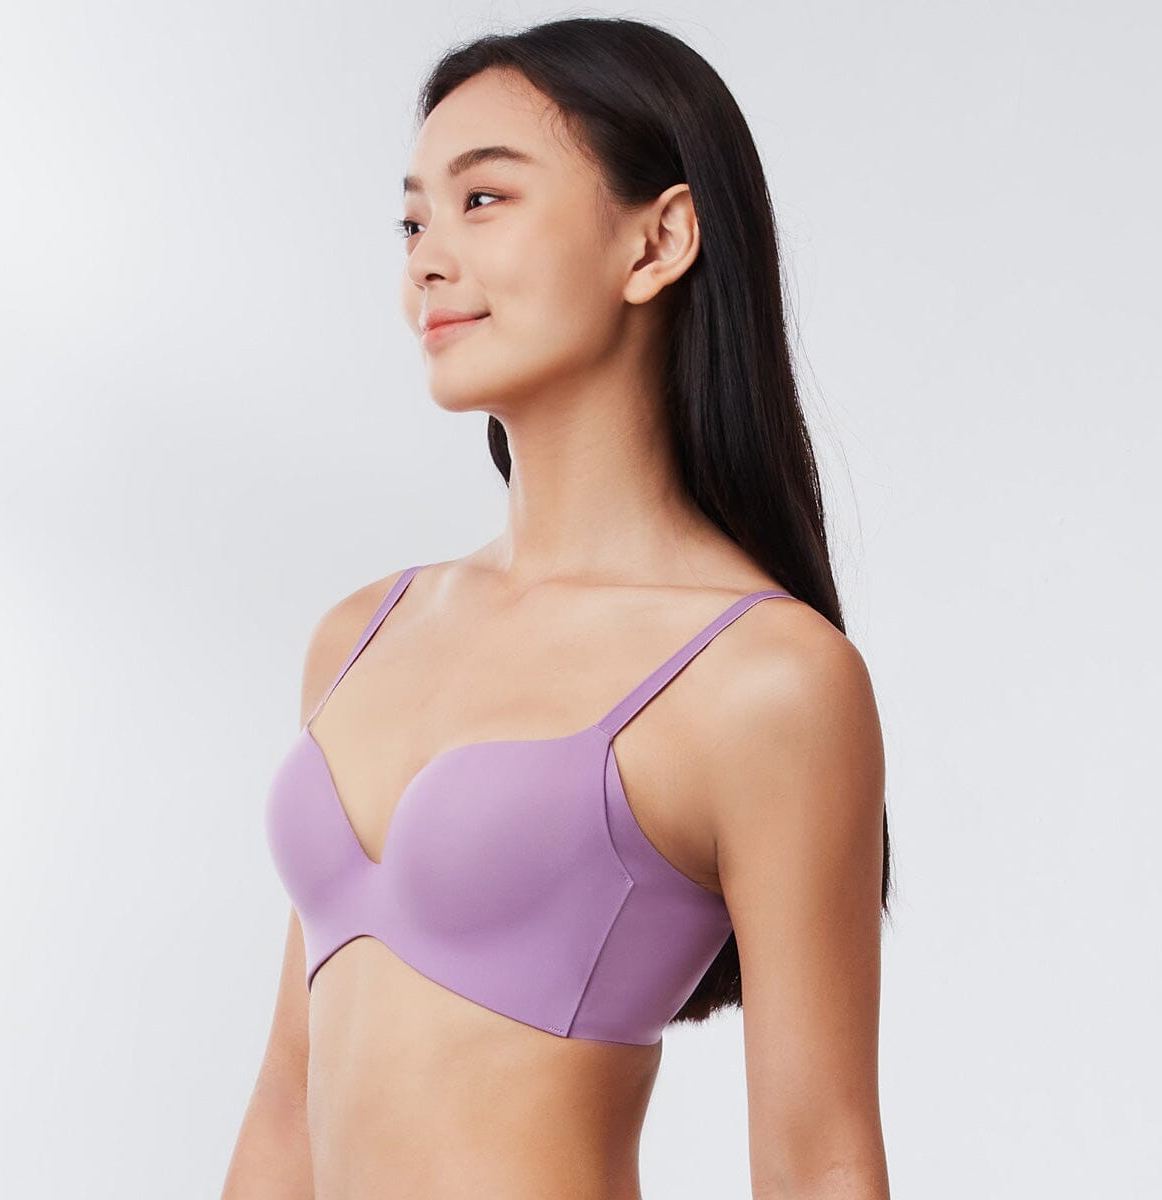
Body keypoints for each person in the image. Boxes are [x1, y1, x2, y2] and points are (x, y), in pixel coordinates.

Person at [223, 16, 891, 1200]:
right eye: (415, 221)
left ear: (659, 240)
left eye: (483, 200)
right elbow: (287, 1099)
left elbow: (816, 1157)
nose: (427, 260)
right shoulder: (362, 634)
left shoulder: (765, 678)